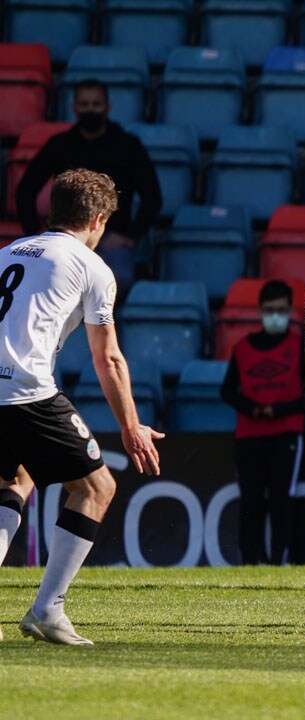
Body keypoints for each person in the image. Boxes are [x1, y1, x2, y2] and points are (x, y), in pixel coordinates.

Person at [0, 169, 164, 645]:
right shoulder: (92, 266)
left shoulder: (8, 252)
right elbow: (107, 356)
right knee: (95, 487)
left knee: (15, 479)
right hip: (25, 390)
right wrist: (131, 427)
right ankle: (47, 610)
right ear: (97, 219)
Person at [16, 79, 163, 297]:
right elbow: (25, 191)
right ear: (75, 108)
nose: (90, 110)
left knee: (116, 281)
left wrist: (130, 237)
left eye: (96, 104)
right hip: (64, 241)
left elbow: (153, 197)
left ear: (107, 107)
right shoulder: (59, 145)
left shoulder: (128, 146)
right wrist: (35, 233)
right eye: (84, 105)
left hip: (113, 242)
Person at [220, 280, 305, 565]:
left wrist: (279, 409)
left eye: (281, 310)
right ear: (260, 310)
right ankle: (248, 562)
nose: (275, 315)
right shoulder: (243, 348)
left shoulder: (300, 345)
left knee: (282, 500)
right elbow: (227, 390)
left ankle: (279, 560)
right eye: (270, 310)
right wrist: (254, 409)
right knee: (251, 502)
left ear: (289, 310)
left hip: (287, 433)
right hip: (249, 435)